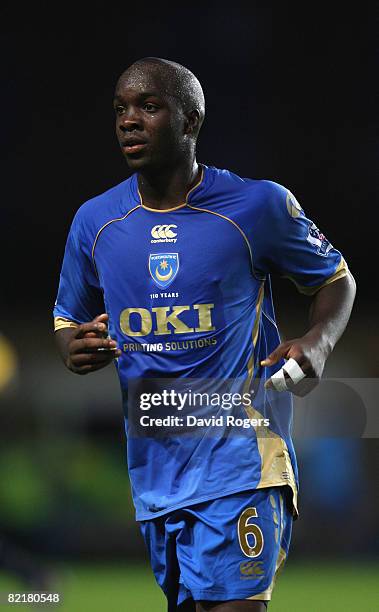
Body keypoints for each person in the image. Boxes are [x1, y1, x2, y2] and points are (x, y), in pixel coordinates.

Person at [53, 57, 356, 611]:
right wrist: (73, 348)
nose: (129, 120)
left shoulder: (257, 206)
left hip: (242, 460)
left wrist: (319, 340)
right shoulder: (95, 222)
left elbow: (337, 279)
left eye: (149, 106)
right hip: (156, 471)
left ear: (190, 122)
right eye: (121, 108)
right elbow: (67, 320)